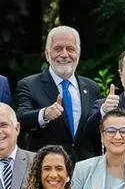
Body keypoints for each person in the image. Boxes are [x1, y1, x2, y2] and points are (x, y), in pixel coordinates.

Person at [15, 26, 103, 160]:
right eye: (58, 49)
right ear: (47, 54)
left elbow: (94, 130)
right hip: (48, 168)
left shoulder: (92, 87)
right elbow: (21, 120)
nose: (64, 54)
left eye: (70, 49)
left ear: (78, 54)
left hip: (85, 168)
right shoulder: (29, 85)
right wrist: (44, 114)